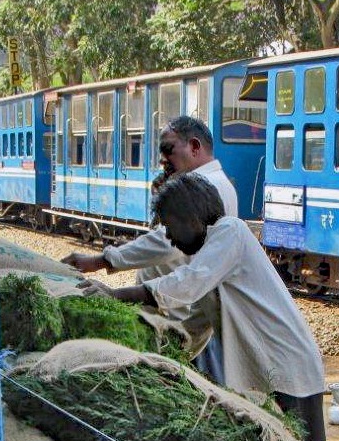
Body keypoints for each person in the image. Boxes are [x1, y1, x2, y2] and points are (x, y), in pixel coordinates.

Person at [85, 172, 331, 441]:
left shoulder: (231, 231)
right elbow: (198, 324)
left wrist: (117, 295)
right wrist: (167, 354)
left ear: (193, 219)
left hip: (287, 365)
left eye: (170, 226)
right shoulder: (210, 256)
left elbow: (188, 283)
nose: (170, 238)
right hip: (268, 367)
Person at [61, 115, 234, 380]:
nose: (163, 160)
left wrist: (104, 263)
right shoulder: (212, 183)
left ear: (195, 147)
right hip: (185, 312)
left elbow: (166, 245)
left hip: (181, 316)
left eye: (168, 149)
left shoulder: (205, 187)